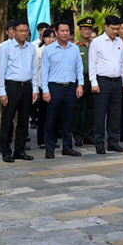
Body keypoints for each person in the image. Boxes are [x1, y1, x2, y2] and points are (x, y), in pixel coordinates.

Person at [41, 20, 85, 159]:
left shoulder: (74, 48)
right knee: (51, 119)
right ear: (56, 32)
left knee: (69, 118)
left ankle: (67, 147)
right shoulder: (48, 50)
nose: (66, 33)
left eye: (67, 31)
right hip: (54, 87)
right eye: (63, 31)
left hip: (70, 87)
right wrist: (45, 90)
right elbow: (44, 72)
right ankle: (49, 148)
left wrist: (80, 85)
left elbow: (79, 67)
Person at [0, 19, 39, 162]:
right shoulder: (5, 47)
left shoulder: (31, 47)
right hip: (11, 86)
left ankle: (19, 150)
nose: (23, 34)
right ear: (13, 32)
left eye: (26, 31)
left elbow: (34, 69)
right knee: (7, 119)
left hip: (26, 86)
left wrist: (35, 89)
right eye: (20, 31)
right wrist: (2, 91)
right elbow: (1, 71)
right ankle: (6, 150)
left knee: (23, 120)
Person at [89, 15, 123, 154]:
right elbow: (92, 63)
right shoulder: (97, 42)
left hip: (117, 82)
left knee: (115, 114)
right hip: (102, 81)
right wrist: (94, 82)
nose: (115, 31)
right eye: (113, 28)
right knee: (100, 114)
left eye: (117, 29)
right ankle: (99, 143)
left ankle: (113, 142)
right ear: (106, 27)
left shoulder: (119, 43)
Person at [73, 17, 96, 147]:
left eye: (89, 29)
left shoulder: (95, 45)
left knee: (92, 109)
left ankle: (89, 135)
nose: (87, 31)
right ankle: (77, 136)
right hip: (79, 79)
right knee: (78, 109)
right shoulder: (76, 46)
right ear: (80, 30)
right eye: (85, 29)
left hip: (93, 79)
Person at [35, 27, 56, 149]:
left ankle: (51, 139)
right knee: (43, 114)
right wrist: (38, 88)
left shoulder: (58, 49)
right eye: (49, 37)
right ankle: (41, 139)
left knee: (53, 114)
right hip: (42, 85)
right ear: (44, 38)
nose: (51, 39)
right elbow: (37, 69)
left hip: (54, 84)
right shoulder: (39, 50)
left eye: (53, 37)